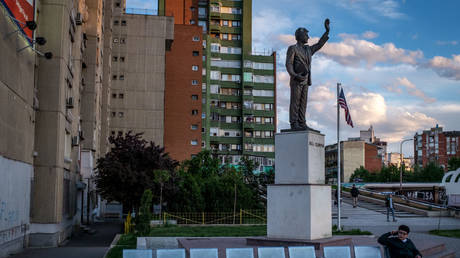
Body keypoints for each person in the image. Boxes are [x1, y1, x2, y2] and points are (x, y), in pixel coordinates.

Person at [285, 19, 330, 130]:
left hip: (305, 80)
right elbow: (289, 64)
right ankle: (294, 123)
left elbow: (319, 44)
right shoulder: (293, 48)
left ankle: (302, 122)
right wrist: (294, 75)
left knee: (303, 102)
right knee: (295, 102)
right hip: (296, 79)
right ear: (300, 36)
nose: (308, 38)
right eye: (306, 35)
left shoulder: (308, 50)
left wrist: (327, 31)